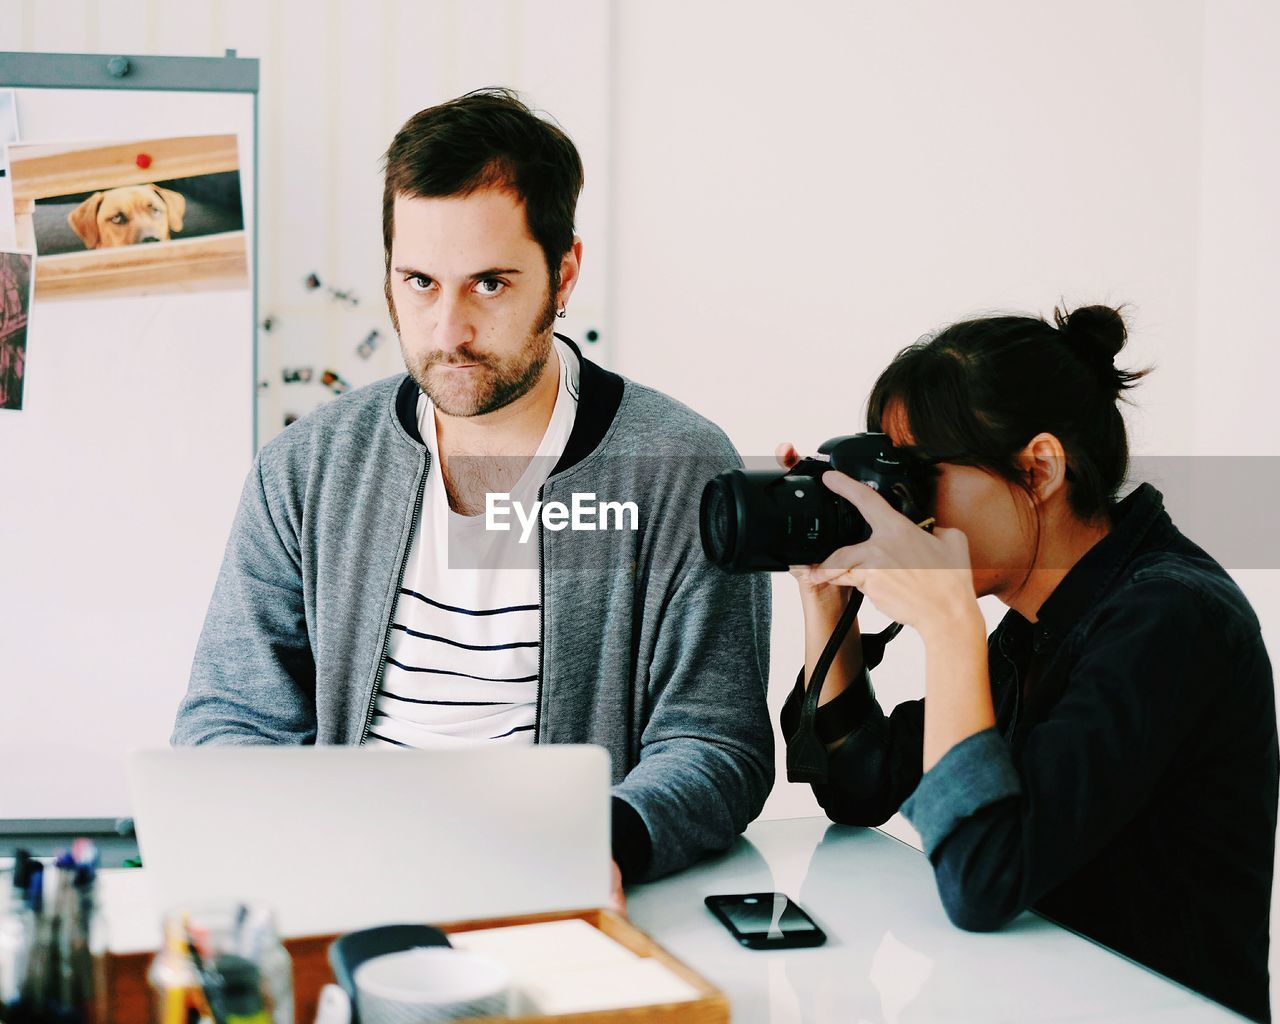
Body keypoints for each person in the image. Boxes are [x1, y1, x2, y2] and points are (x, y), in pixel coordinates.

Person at [173, 89, 773, 895]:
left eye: (489, 285)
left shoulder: (679, 469)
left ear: (564, 275)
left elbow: (715, 742)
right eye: (419, 282)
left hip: (558, 886)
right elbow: (229, 721)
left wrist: (602, 843)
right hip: (344, 883)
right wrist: (302, 848)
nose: (448, 330)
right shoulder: (305, 470)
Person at [779, 305, 1277, 1022]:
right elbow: (855, 786)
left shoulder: (1170, 620)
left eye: (918, 477)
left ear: (1038, 468)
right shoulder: (1039, 623)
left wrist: (949, 622)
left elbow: (983, 880)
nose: (903, 512)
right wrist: (826, 598)